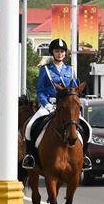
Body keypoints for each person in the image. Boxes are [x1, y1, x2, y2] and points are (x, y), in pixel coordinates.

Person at [21, 38, 92, 170]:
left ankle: (85, 156)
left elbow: (75, 90)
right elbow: (40, 91)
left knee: (87, 127)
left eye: (62, 51)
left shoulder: (70, 70)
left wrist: (75, 102)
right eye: (57, 51)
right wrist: (46, 104)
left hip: (66, 107)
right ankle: (30, 157)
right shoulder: (45, 70)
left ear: (65, 53)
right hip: (49, 105)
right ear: (52, 53)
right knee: (30, 126)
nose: (60, 54)